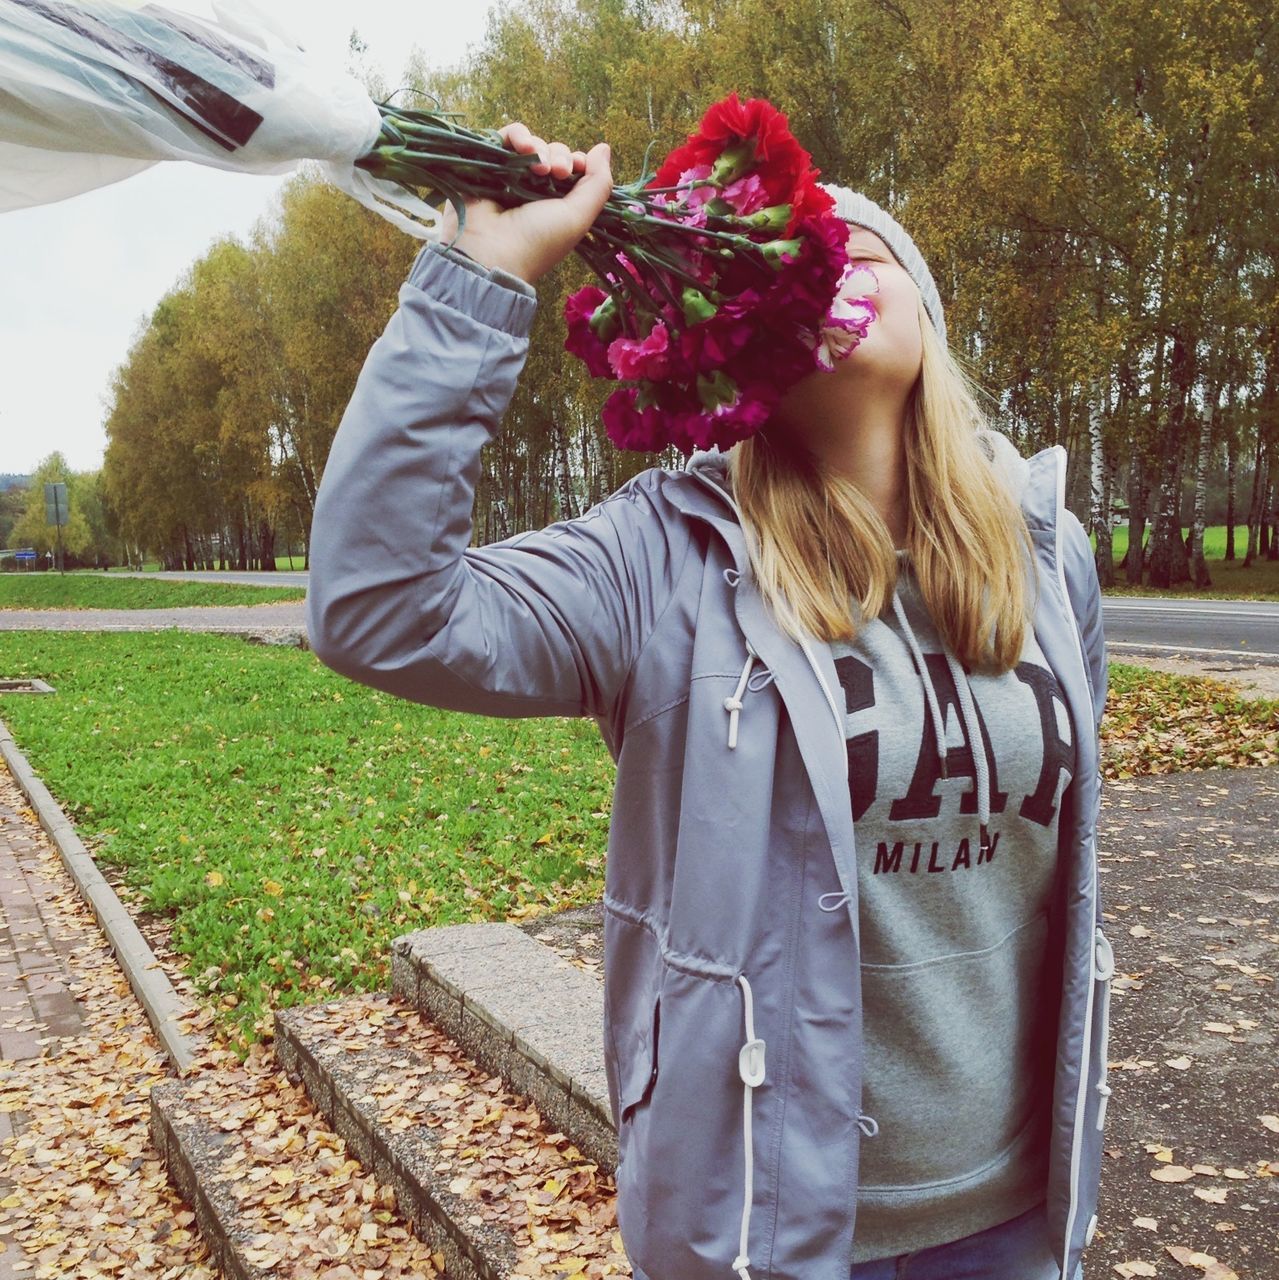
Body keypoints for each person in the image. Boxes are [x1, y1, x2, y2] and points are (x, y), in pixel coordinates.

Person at [306, 122, 1109, 1280]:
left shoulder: (1049, 554)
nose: (827, 266)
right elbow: (381, 605)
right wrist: (480, 280)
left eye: (858, 249)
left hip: (1009, 1217)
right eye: (793, 257)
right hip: (761, 1228)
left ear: (927, 316)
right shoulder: (664, 559)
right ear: (734, 344)